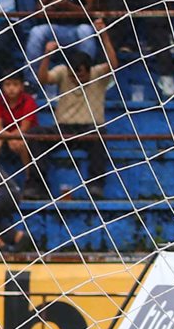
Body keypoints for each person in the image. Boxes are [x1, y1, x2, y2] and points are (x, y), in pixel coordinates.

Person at [34, 17, 117, 199]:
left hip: (90, 129)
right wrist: (47, 55)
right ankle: (37, 186)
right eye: (73, 76)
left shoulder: (97, 74)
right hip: (64, 128)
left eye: (81, 75)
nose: (76, 80)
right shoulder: (63, 72)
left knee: (98, 140)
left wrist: (104, 37)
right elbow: (43, 79)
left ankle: (96, 185)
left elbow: (113, 64)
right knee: (36, 136)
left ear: (88, 71)